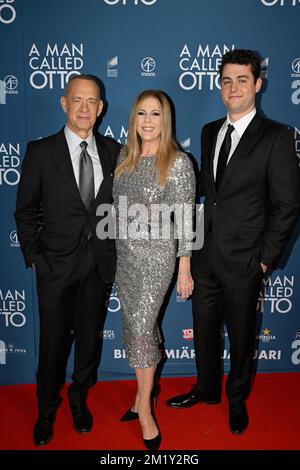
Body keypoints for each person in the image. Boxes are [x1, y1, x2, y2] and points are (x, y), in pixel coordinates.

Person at [167, 50, 300, 434]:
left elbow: (288, 205)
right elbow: (212, 196)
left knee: (242, 337)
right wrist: (192, 249)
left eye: (242, 80)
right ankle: (207, 388)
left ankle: (237, 399)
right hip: (206, 254)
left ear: (258, 85)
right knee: (203, 328)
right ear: (219, 86)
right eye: (226, 80)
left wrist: (263, 260)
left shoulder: (277, 136)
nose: (233, 87)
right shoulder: (210, 131)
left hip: (246, 260)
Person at [14, 75, 121, 446]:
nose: (84, 108)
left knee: (89, 343)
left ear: (101, 108)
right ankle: (46, 410)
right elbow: (25, 211)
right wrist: (34, 257)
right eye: (77, 100)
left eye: (92, 101)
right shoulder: (41, 152)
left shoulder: (114, 152)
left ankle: (79, 398)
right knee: (52, 345)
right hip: (55, 268)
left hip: (98, 267)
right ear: (64, 103)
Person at [113, 90, 195, 450]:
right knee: (133, 327)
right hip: (124, 257)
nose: (148, 121)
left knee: (143, 328)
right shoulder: (124, 157)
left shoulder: (177, 162)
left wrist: (185, 267)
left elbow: (188, 220)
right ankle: (141, 394)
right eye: (142, 114)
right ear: (134, 118)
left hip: (157, 259)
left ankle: (144, 408)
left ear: (166, 120)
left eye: (155, 114)